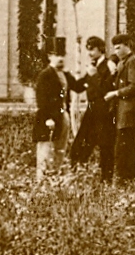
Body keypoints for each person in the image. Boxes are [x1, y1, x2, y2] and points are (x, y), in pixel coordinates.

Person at [105, 33, 135, 185]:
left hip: (129, 114)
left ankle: (124, 181)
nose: (116, 51)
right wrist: (112, 59)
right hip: (123, 114)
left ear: (127, 46)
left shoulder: (133, 62)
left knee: (124, 149)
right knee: (125, 149)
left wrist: (115, 93)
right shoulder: (124, 60)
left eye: (119, 48)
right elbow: (114, 57)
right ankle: (128, 180)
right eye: (114, 48)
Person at [69, 35, 116, 179]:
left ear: (100, 49)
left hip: (104, 112)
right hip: (92, 111)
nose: (89, 53)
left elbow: (106, 89)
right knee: (80, 145)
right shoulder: (93, 67)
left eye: (92, 49)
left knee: (105, 146)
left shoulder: (108, 66)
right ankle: (77, 175)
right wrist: (62, 74)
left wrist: (94, 75)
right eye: (87, 49)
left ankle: (106, 180)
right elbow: (79, 87)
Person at [33, 40, 69, 179]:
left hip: (62, 117)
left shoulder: (64, 75)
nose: (60, 58)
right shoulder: (45, 75)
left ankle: (55, 182)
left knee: (59, 151)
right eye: (56, 55)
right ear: (49, 56)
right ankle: (42, 186)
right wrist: (47, 118)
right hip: (48, 120)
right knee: (46, 153)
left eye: (62, 55)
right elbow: (41, 99)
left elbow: (78, 87)